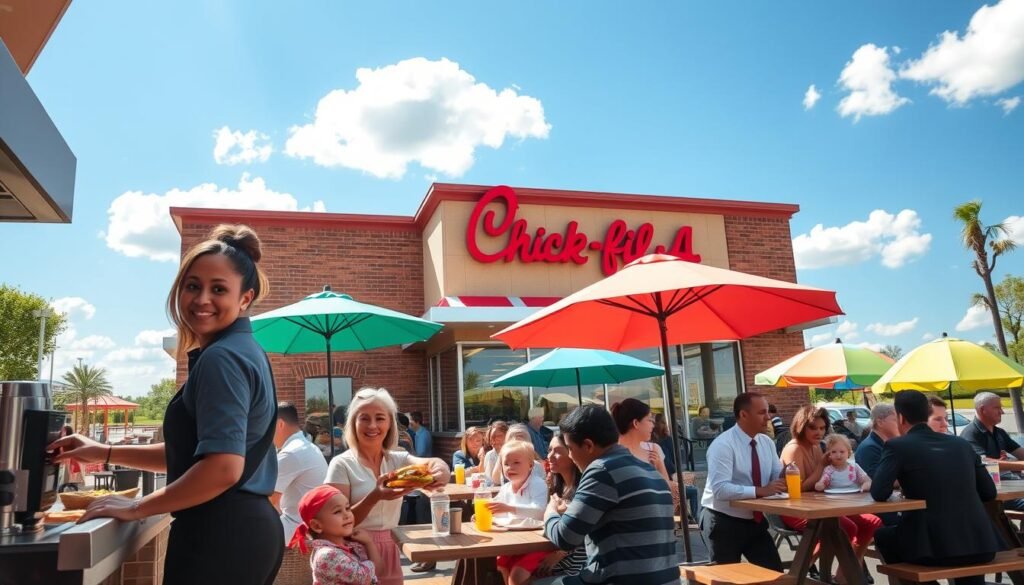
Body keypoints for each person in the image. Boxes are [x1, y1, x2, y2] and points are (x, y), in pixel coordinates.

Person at [50, 224, 283, 584]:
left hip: (218, 537)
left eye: (218, 289)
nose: (202, 299)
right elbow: (193, 454)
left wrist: (137, 506)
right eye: (193, 286)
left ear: (245, 298)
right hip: (245, 533)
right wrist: (104, 450)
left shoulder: (222, 359)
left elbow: (222, 469)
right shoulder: (245, 351)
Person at [539, 405, 679, 585]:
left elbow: (565, 538)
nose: (572, 457)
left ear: (588, 445)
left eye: (570, 449)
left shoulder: (602, 470)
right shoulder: (649, 471)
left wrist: (550, 512)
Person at [871, 390, 998, 585]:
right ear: (926, 413)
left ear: (900, 417)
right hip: (982, 544)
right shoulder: (961, 444)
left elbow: (879, 492)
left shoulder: (898, 446)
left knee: (883, 535)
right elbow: (989, 492)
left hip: (933, 549)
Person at [325, 388, 449, 585]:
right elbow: (335, 523)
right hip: (352, 552)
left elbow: (434, 463)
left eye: (380, 418)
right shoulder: (341, 464)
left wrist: (441, 471)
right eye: (364, 418)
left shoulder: (397, 459)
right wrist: (375, 496)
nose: (372, 425)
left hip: (391, 549)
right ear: (353, 423)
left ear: (390, 423)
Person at [700, 392, 787, 571]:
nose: (768, 417)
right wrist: (760, 490)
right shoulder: (723, 445)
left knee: (774, 574)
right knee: (726, 579)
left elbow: (776, 477)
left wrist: (788, 474)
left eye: (768, 412)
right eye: (762, 412)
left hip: (754, 520)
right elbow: (720, 489)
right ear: (743, 415)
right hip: (723, 521)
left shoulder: (766, 442)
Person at [287, 485, 380, 585]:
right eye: (337, 511)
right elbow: (364, 577)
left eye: (347, 508)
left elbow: (378, 572)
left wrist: (369, 543)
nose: (347, 515)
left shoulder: (350, 545)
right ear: (317, 525)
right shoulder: (327, 555)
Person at [488, 441, 549, 585]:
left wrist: (510, 508)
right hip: (515, 540)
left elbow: (540, 511)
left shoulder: (537, 484)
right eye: (506, 464)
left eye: (516, 462)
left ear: (530, 465)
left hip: (538, 541)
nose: (511, 467)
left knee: (517, 576)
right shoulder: (506, 488)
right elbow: (495, 507)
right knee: (499, 563)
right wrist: (484, 513)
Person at [273, 402, 330, 543]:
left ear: (280, 424)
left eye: (268, 427)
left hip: (297, 530)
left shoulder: (291, 453)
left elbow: (267, 500)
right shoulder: (305, 447)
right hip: (309, 525)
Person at [535, 433, 586, 580]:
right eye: (549, 449)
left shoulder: (583, 489)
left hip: (577, 564)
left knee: (521, 576)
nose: (550, 456)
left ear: (571, 453)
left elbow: (584, 531)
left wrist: (559, 554)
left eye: (557, 451)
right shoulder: (558, 488)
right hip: (555, 552)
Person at [961, 391, 1024, 510]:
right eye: (997, 408)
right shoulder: (970, 434)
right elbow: (984, 462)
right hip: (994, 493)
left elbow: (1020, 452)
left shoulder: (999, 432)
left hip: (1010, 486)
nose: (1002, 412)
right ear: (982, 410)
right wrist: (1020, 465)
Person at [612, 398, 670, 482]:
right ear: (636, 423)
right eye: (649, 420)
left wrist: (659, 464)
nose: (653, 425)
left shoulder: (653, 449)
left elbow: (667, 487)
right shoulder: (611, 454)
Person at [853, 403, 899, 479]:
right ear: (880, 422)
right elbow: (879, 479)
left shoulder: (883, 444)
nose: (900, 423)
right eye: (896, 420)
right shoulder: (869, 448)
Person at [483, 420, 510, 485]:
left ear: (507, 435)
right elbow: (489, 481)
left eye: (499, 436)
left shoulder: (516, 453)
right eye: (492, 436)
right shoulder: (490, 455)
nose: (495, 439)